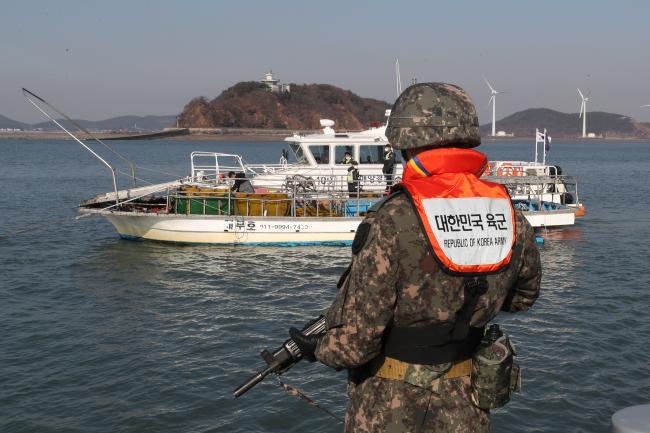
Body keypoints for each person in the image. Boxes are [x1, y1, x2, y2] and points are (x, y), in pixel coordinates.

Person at [289, 83, 541, 433]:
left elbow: (356, 345)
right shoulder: (510, 214)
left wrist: (317, 348)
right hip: (468, 404)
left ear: (406, 142)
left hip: (389, 407)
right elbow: (523, 298)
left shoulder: (392, 218)